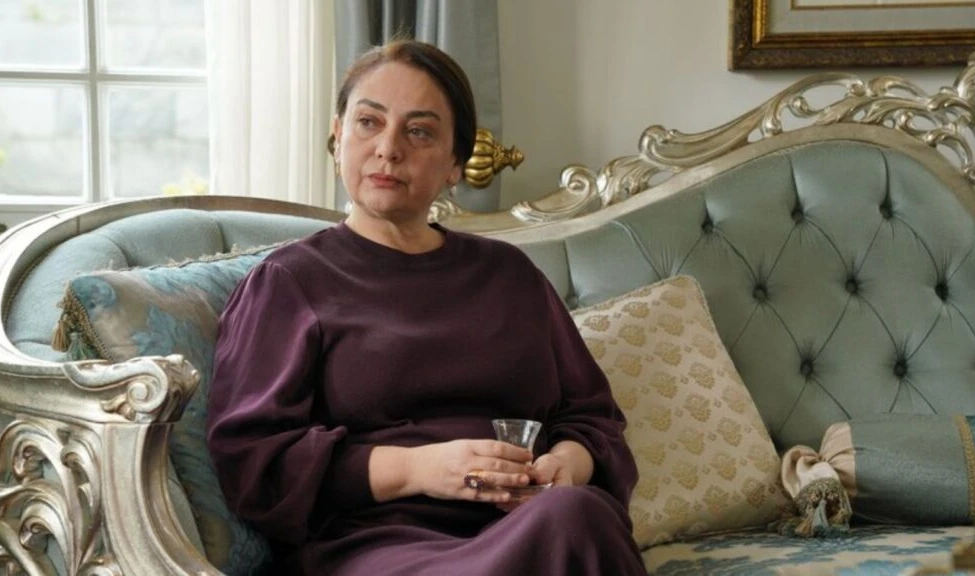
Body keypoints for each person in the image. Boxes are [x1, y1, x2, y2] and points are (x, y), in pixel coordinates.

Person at [205, 39, 647, 575]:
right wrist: (420, 468)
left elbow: (592, 417)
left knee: (578, 515)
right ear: (338, 136)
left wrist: (565, 468)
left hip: (532, 522)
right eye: (369, 122)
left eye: (418, 131)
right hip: (375, 546)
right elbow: (254, 462)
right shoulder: (288, 282)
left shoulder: (510, 275)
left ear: (456, 162)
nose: (388, 148)